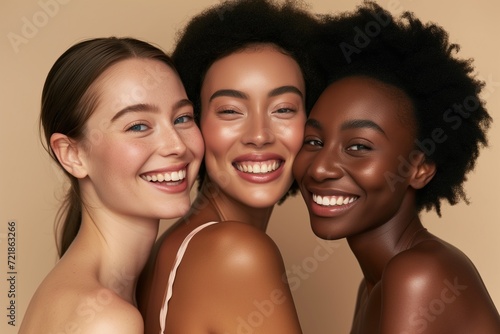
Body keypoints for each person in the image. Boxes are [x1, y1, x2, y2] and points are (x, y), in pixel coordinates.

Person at [293, 1, 500, 333]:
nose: (320, 169)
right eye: (314, 141)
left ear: (419, 168)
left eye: (358, 146)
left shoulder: (418, 275)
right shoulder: (375, 284)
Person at [136, 1, 323, 333]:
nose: (260, 135)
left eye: (283, 109)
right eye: (230, 111)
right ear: (193, 122)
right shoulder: (236, 252)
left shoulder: (171, 245)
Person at [19, 37, 204, 334]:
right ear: (72, 154)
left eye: (182, 117)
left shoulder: (110, 295)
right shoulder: (105, 320)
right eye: (138, 126)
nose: (177, 145)